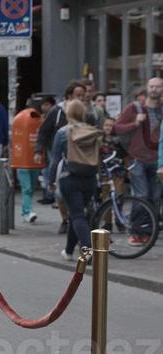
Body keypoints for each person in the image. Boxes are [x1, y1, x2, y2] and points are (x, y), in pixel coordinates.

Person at [112, 77, 161, 245]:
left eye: (158, 87)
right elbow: (117, 127)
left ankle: (147, 231)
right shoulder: (134, 108)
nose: (154, 89)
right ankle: (134, 231)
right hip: (137, 158)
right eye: (152, 86)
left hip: (157, 159)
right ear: (147, 89)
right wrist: (135, 122)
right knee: (141, 195)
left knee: (155, 196)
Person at [53, 99, 102, 260]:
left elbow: (55, 160)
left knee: (77, 215)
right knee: (77, 214)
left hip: (70, 177)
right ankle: (68, 251)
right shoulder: (92, 131)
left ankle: (87, 250)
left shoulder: (63, 132)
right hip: (89, 178)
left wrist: (50, 181)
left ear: (67, 113)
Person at [10, 96, 46, 223]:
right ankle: (27, 212)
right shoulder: (30, 118)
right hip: (26, 161)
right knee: (27, 188)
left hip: (31, 159)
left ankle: (26, 210)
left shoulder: (35, 119)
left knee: (30, 188)